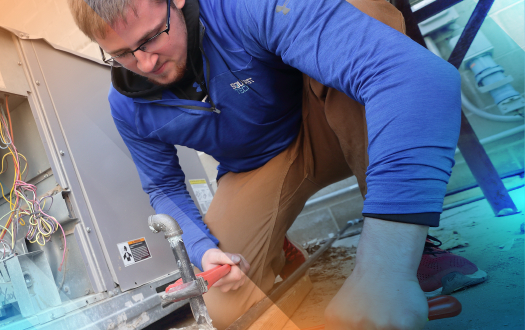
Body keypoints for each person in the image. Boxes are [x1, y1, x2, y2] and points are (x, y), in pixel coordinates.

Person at [67, 0, 487, 328]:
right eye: (121, 53)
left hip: (327, 117)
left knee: (361, 18)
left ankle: (412, 254)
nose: (145, 64)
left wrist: (385, 269)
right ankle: (278, 250)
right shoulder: (126, 106)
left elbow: (415, 79)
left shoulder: (240, 8)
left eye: (151, 38)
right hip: (257, 167)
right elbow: (163, 187)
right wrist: (203, 250)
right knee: (225, 308)